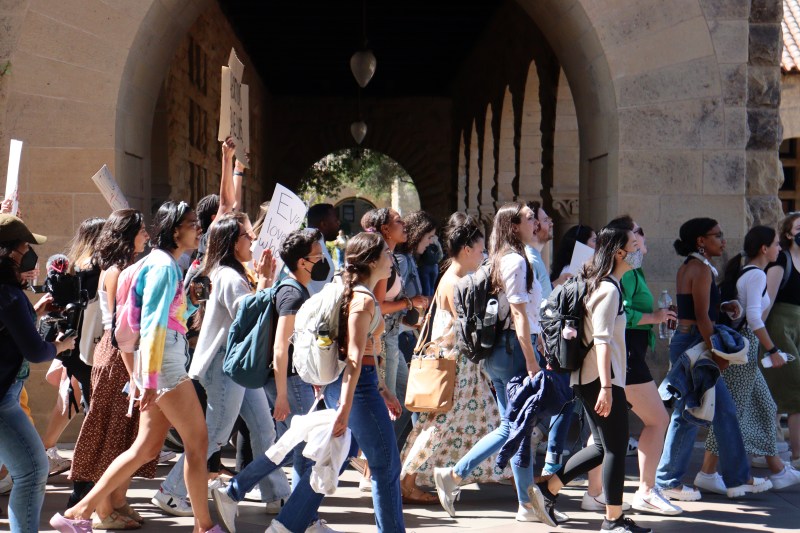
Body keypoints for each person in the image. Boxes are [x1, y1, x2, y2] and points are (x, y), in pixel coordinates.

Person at [51, 201, 224, 533]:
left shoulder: (146, 266)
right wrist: (147, 379)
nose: (198, 229)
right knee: (198, 443)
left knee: (144, 447)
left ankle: (77, 513)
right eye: (193, 224)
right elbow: (153, 325)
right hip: (165, 367)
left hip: (156, 366)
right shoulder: (162, 268)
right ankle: (204, 526)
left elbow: (127, 329)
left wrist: (141, 374)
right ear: (176, 230)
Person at [156, 213, 291, 516]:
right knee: (214, 434)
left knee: (263, 429)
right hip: (224, 365)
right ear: (232, 242)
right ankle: (171, 491)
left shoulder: (231, 272)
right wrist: (268, 282)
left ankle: (278, 494)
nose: (252, 240)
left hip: (234, 364)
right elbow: (248, 313)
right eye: (247, 236)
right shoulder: (229, 276)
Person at [212, 228, 344, 533]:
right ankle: (235, 491)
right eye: (316, 256)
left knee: (299, 450)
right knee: (304, 450)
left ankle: (303, 518)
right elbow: (281, 346)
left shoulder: (294, 288)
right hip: (290, 382)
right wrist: (283, 394)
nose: (322, 259)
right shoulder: (292, 292)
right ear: (301, 262)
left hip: (294, 381)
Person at [528, 224, 652, 533]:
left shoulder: (606, 284)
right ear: (619, 253)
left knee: (602, 446)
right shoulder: (608, 289)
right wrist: (608, 387)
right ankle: (613, 519)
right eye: (634, 246)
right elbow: (601, 340)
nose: (639, 251)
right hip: (600, 379)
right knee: (614, 448)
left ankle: (546, 490)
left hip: (594, 378)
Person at [434, 202, 544, 521]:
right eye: (528, 218)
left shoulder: (495, 261)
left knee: (514, 425)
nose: (534, 222)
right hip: (513, 351)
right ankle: (462, 477)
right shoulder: (515, 262)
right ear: (513, 226)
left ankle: (523, 502)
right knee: (516, 425)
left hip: (498, 351)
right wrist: (532, 361)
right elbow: (520, 316)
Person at [655, 218, 772, 501]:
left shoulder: (694, 267)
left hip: (689, 341)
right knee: (689, 415)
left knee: (718, 412)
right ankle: (669, 480)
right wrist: (717, 353)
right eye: (717, 236)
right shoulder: (701, 269)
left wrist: (723, 305)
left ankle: (737, 478)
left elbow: (697, 309)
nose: (723, 240)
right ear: (701, 241)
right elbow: (702, 317)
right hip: (695, 343)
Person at [400, 213, 510, 503]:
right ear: (466, 250)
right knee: (439, 425)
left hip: (463, 367)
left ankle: (508, 471)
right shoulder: (455, 281)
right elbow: (466, 328)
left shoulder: (457, 276)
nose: (484, 253)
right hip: (455, 367)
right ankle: (407, 480)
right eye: (480, 248)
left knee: (490, 418)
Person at [580, 217, 680, 515]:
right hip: (625, 357)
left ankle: (592, 492)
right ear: (621, 247)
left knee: (602, 431)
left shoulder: (631, 271)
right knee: (657, 420)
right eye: (636, 237)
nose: (640, 242)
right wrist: (656, 317)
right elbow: (617, 316)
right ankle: (645, 490)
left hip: (627, 354)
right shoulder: (618, 277)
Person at [67, 210, 154, 528]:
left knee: (127, 434)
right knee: (110, 433)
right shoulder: (116, 269)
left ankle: (118, 500)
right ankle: (104, 510)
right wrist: (134, 373)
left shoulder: (125, 267)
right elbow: (122, 325)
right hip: (118, 356)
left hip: (126, 355)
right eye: (142, 230)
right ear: (127, 234)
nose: (146, 235)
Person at [697, 226, 800, 491]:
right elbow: (754, 317)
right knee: (731, 414)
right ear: (764, 249)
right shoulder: (756, 275)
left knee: (765, 407)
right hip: (745, 349)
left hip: (746, 349)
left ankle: (777, 468)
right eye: (776, 244)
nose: (780, 249)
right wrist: (773, 350)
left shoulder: (750, 273)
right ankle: (707, 472)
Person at [0, 214, 75, 533]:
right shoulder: (9, 295)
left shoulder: (9, 295)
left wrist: (36, 311)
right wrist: (61, 346)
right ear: (10, 253)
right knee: (32, 472)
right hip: (3, 402)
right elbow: (34, 350)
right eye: (25, 245)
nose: (30, 252)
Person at [330, 231, 404, 532]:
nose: (392, 258)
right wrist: (345, 409)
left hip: (366, 385)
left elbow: (368, 355)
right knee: (386, 465)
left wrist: (384, 388)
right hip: (359, 388)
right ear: (372, 261)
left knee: (378, 464)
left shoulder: (366, 296)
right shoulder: (362, 300)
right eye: (387, 253)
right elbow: (354, 360)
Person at [41, 216, 105, 479]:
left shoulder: (71, 267)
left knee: (72, 400)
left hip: (73, 346)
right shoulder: (93, 269)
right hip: (86, 346)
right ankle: (84, 468)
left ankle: (51, 455)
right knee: (83, 404)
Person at [763, 212, 800, 468]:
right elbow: (766, 301)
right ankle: (796, 455)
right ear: (788, 233)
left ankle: (778, 450)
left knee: (784, 392)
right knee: (794, 389)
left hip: (798, 326)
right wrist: (759, 338)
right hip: (779, 327)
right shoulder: (782, 262)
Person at [305, 204, 339, 294]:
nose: (338, 223)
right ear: (323, 224)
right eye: (335, 220)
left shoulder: (308, 240)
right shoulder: (311, 247)